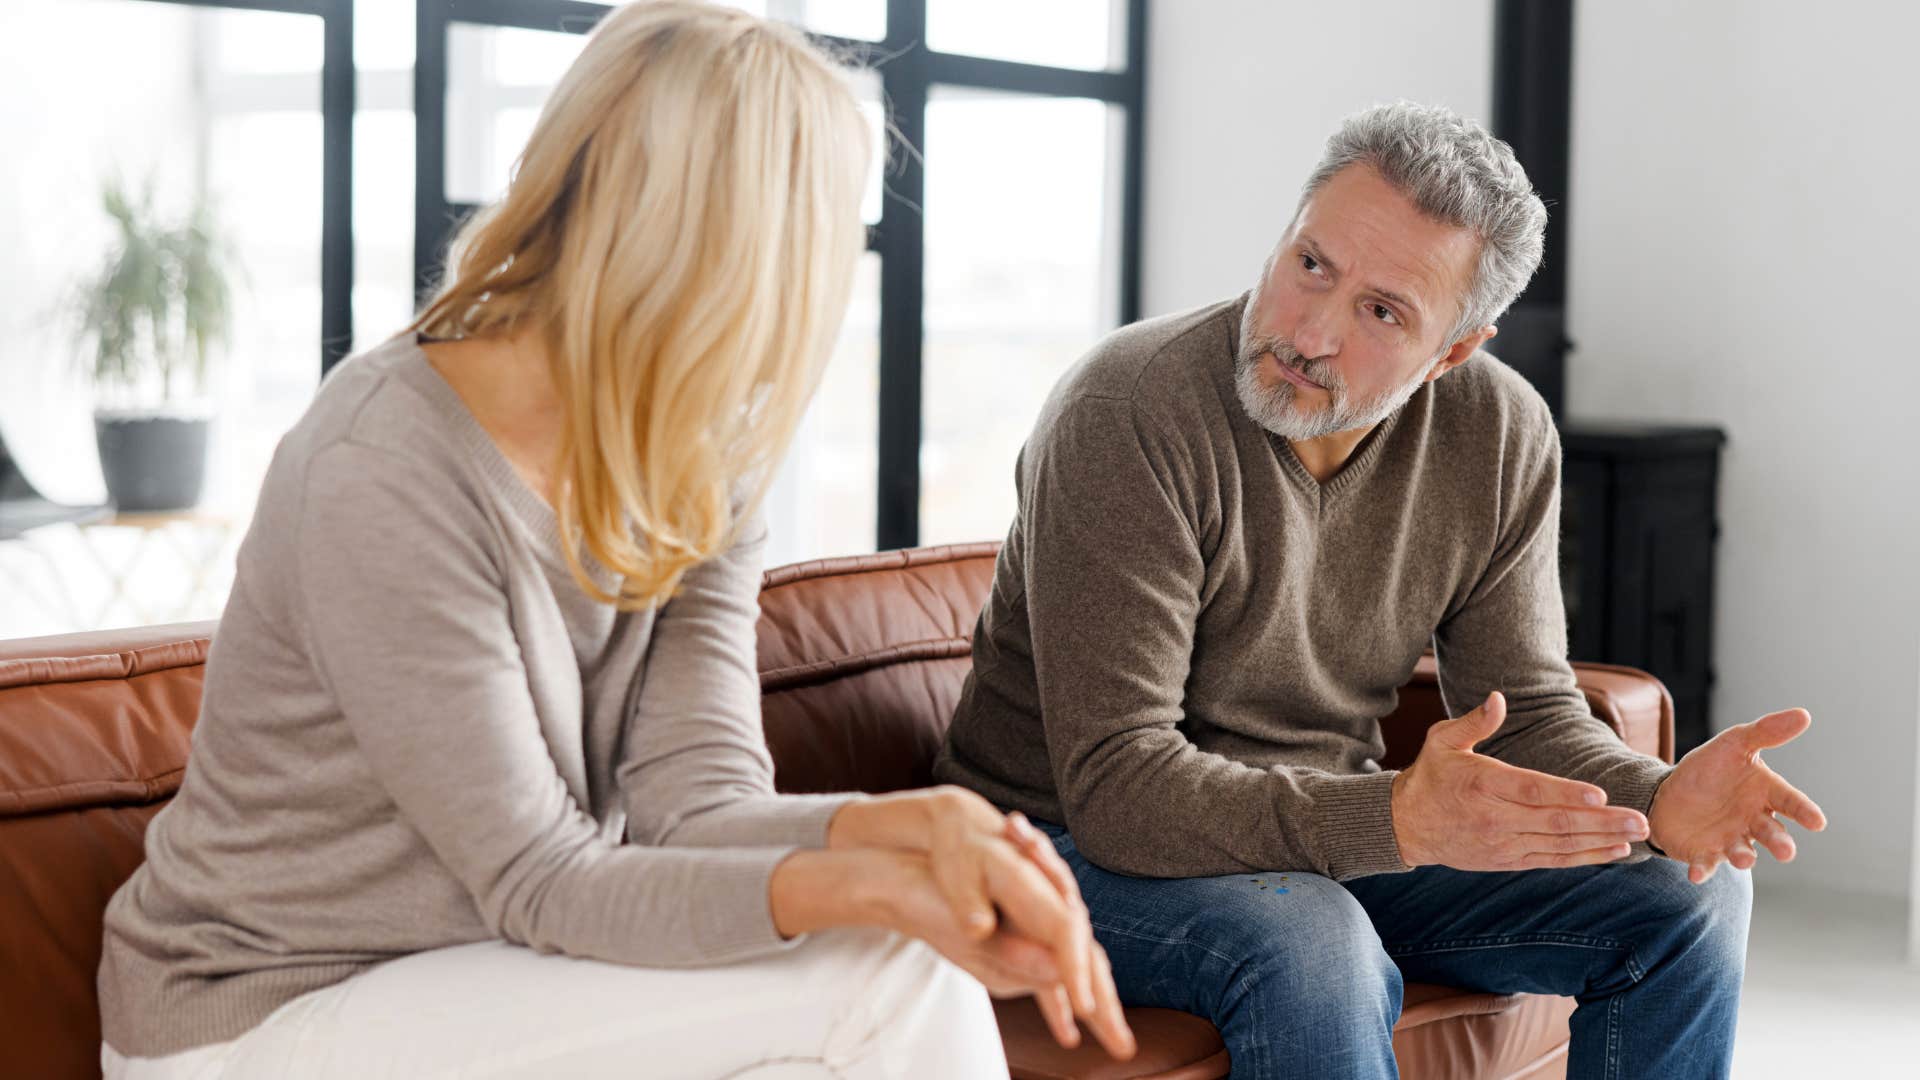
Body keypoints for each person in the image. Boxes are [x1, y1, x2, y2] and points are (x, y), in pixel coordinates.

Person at [96, 3, 1135, 1076]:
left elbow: (697, 805)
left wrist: (921, 829)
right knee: (890, 969)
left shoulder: (699, 457)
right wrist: (880, 886)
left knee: (886, 964)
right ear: (721, 250)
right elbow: (543, 877)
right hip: (255, 1011)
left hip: (487, 968)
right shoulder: (382, 462)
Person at [932, 101, 1827, 1079]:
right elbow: (1118, 786)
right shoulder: (1129, 411)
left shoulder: (1498, 435)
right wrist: (1390, 820)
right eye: (1310, 263)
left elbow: (1523, 714)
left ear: (1454, 351)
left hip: (1316, 829)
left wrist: (1657, 799)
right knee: (1315, 940)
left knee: (1691, 900)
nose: (1307, 331)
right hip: (1062, 845)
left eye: (1382, 311)